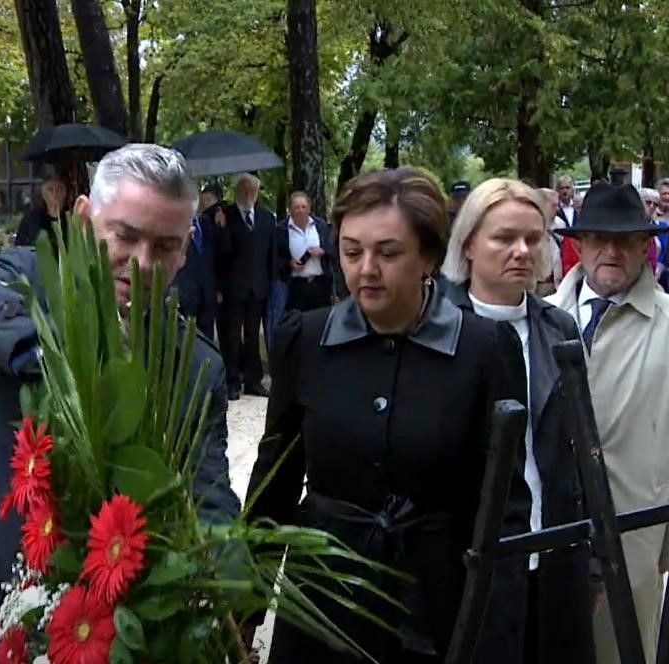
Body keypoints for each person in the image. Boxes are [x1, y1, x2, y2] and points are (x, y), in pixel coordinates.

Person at [0, 144, 242, 664]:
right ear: (82, 219)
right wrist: (72, 359)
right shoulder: (26, 279)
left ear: (187, 249)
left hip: (96, 630)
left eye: (166, 245)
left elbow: (208, 496)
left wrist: (233, 584)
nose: (143, 264)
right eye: (125, 235)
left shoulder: (193, 365)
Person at [245, 168, 530, 664]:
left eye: (388, 252)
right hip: (321, 610)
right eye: (352, 251)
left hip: (436, 610)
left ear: (429, 258)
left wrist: (495, 634)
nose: (367, 269)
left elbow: (504, 510)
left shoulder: (484, 350)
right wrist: (244, 602)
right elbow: (276, 481)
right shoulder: (305, 341)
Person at [546, 183, 669, 664]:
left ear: (646, 246)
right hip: (555, 526)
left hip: (636, 526)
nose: (611, 251)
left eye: (626, 240)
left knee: (627, 648)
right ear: (579, 245)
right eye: (599, 239)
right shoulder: (547, 316)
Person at [442, 178, 595, 664]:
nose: (521, 251)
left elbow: (579, 446)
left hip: (552, 550)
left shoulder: (559, 328)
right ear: (468, 244)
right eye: (504, 238)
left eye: (534, 238)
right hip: (466, 558)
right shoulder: (438, 327)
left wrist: (589, 557)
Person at [218, 174, 276, 399]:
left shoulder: (266, 218)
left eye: (252, 190)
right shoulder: (226, 216)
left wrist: (272, 283)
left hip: (258, 287)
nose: (248, 195)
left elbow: (270, 254)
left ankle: (254, 380)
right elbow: (221, 256)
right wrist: (222, 228)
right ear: (236, 192)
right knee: (232, 336)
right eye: (243, 190)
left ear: (257, 193)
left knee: (252, 335)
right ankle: (233, 381)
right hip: (233, 287)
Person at [173, 184, 225, 340]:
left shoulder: (207, 224)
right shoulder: (174, 227)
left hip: (207, 293)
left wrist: (218, 288)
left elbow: (219, 257)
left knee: (207, 338)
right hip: (185, 294)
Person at [13, 177, 68, 250]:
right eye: (50, 190)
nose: (55, 193)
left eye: (59, 189)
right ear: (44, 195)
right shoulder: (31, 219)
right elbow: (20, 247)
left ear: (65, 193)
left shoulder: (71, 218)